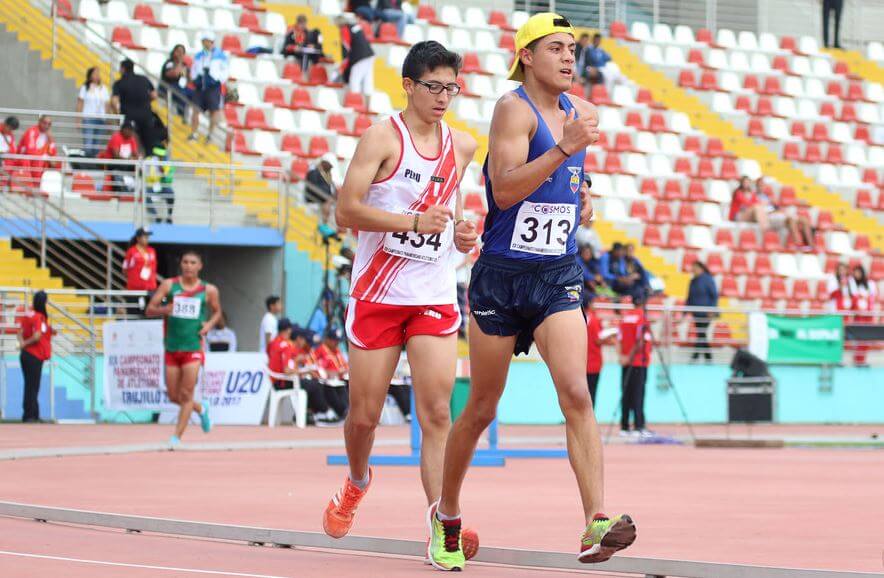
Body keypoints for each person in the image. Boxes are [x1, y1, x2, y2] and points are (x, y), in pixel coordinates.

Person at [433, 14, 634, 571]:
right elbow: (504, 189)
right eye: (556, 48)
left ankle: (595, 521)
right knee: (481, 408)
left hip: (556, 274)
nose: (569, 58)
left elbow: (568, 176)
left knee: (576, 394)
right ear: (526, 56)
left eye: (572, 49)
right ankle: (446, 516)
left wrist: (583, 192)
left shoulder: (582, 113)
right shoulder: (513, 109)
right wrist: (565, 150)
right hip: (501, 277)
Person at [322, 40, 481, 564]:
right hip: (377, 294)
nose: (443, 97)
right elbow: (346, 211)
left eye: (451, 88)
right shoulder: (381, 138)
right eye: (433, 86)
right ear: (409, 86)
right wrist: (414, 221)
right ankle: (356, 480)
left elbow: (454, 209)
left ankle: (442, 523)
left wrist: (462, 234)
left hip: (432, 294)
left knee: (436, 413)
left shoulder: (462, 146)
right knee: (364, 417)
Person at [146, 250, 221, 446]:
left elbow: (217, 312)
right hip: (172, 347)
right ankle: (201, 409)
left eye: (193, 262)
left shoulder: (209, 290)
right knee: (173, 395)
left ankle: (176, 437)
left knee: (186, 394)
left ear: (200, 266)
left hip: (193, 347)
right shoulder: (169, 285)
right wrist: (165, 309)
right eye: (186, 262)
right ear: (181, 265)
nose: (189, 266)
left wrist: (208, 325)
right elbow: (149, 309)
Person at [293, 326, 346, 425]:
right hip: (297, 380)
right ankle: (324, 413)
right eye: (309, 343)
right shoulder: (296, 350)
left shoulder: (310, 351)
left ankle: (341, 411)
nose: (311, 346)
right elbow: (293, 369)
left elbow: (315, 368)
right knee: (319, 385)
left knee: (335, 384)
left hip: (315, 378)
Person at [618, 294, 652, 437]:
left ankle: (624, 426)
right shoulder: (642, 318)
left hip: (626, 362)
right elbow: (641, 341)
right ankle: (639, 426)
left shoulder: (625, 318)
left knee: (626, 393)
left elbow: (619, 339)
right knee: (638, 394)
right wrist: (631, 357)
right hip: (638, 362)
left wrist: (622, 356)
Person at [17, 291, 53, 423]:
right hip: (34, 355)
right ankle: (29, 416)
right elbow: (37, 336)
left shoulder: (28, 314)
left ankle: (34, 414)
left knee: (30, 385)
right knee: (33, 386)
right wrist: (26, 343)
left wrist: (22, 343)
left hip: (26, 355)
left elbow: (19, 332)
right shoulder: (39, 317)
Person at [189, 31, 229, 143]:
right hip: (200, 86)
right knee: (196, 109)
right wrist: (195, 78)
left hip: (213, 87)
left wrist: (217, 79)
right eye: (204, 41)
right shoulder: (199, 55)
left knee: (213, 111)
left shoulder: (220, 55)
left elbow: (225, 71)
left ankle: (210, 134)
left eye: (207, 41)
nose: (205, 43)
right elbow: (193, 69)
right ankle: (194, 133)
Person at [755, 177, 813, 250]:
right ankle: (798, 244)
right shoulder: (755, 196)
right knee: (791, 220)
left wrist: (780, 210)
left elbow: (777, 207)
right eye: (760, 185)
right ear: (757, 186)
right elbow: (760, 211)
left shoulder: (768, 197)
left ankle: (811, 246)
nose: (762, 187)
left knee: (804, 220)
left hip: (779, 214)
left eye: (763, 185)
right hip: (770, 217)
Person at [111, 59, 157, 151]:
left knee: (129, 143)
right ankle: (150, 158)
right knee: (148, 144)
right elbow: (154, 95)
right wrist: (145, 102)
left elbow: (114, 101)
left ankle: (132, 159)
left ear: (123, 69)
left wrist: (117, 114)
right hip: (146, 116)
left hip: (129, 118)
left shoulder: (119, 83)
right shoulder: (144, 79)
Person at [585, 295, 614, 406]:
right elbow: (598, 340)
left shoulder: (581, 318)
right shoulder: (594, 319)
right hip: (593, 362)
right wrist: (610, 340)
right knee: (591, 393)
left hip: (580, 362)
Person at [685, 261, 717, 362]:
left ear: (701, 268)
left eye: (695, 268)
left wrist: (712, 309)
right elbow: (689, 298)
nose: (693, 270)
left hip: (706, 313)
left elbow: (714, 296)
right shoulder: (693, 281)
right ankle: (708, 356)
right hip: (696, 313)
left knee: (701, 333)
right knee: (701, 333)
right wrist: (684, 312)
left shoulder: (708, 279)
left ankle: (696, 356)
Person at [122, 227, 158, 314]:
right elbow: (125, 270)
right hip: (135, 290)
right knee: (134, 313)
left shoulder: (151, 251)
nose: (147, 238)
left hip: (150, 289)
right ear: (138, 238)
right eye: (144, 236)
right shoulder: (131, 251)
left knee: (150, 313)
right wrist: (135, 280)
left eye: (148, 236)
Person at [144, 126, 175, 223]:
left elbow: (168, 178)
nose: (160, 157)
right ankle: (156, 216)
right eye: (159, 155)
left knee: (170, 193)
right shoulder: (148, 161)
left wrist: (162, 170)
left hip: (162, 186)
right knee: (147, 195)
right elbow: (146, 174)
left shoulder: (166, 163)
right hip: (151, 185)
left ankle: (169, 216)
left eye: (161, 156)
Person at [77, 66, 110, 157]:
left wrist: (107, 119)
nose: (97, 75)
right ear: (90, 75)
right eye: (95, 73)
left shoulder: (103, 88)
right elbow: (80, 103)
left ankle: (93, 163)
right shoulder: (85, 87)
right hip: (88, 118)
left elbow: (107, 104)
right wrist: (78, 120)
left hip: (101, 119)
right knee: (88, 145)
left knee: (97, 146)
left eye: (98, 73)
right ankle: (87, 162)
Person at [339, 13, 375, 95]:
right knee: (367, 82)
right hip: (370, 55)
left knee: (354, 81)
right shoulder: (356, 26)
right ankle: (366, 103)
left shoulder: (345, 29)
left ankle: (354, 101)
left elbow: (346, 48)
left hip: (359, 57)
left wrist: (343, 67)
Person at [18, 115, 58, 186]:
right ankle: (35, 185)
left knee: (54, 164)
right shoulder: (32, 131)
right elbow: (30, 151)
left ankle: (42, 186)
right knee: (39, 161)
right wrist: (45, 156)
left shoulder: (48, 135)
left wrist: (50, 139)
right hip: (25, 159)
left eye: (49, 124)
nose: (46, 126)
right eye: (44, 123)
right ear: (39, 122)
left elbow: (53, 153)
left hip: (39, 161)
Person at [103, 119, 140, 194]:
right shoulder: (116, 137)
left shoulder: (131, 139)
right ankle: (121, 190)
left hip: (126, 164)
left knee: (139, 168)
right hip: (113, 164)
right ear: (124, 129)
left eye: (132, 131)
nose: (132, 133)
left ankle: (136, 189)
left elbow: (136, 154)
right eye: (130, 130)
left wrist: (133, 159)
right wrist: (129, 159)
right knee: (118, 170)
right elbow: (116, 155)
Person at [849, 264, 876, 366]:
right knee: (858, 337)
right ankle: (857, 358)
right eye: (855, 273)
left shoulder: (870, 284)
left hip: (868, 315)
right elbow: (853, 296)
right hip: (858, 315)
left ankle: (862, 359)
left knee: (866, 337)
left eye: (858, 272)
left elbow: (872, 297)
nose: (857, 274)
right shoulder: (852, 283)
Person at [305, 152, 339, 222]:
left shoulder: (327, 174)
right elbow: (313, 188)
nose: (330, 167)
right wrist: (327, 198)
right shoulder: (313, 172)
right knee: (328, 204)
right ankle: (324, 223)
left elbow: (331, 188)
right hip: (316, 198)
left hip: (326, 198)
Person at [160, 44, 190, 119]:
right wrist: (179, 63)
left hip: (181, 87)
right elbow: (173, 74)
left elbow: (188, 79)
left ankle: (184, 118)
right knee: (181, 95)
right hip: (168, 86)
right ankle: (180, 117)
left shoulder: (185, 65)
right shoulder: (169, 63)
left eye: (182, 52)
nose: (180, 54)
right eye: (178, 51)